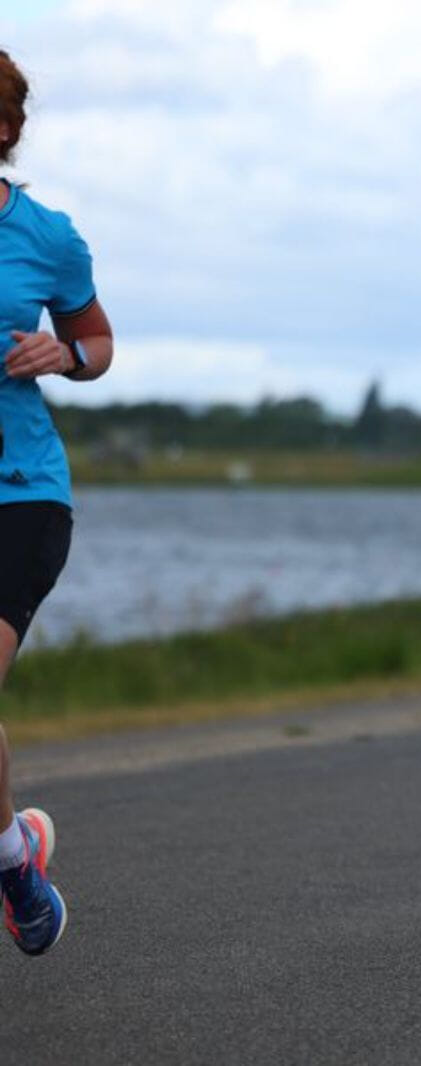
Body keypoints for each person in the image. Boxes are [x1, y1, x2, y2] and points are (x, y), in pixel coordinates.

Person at [0, 50, 115, 956]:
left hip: (22, 494)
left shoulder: (47, 235)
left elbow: (98, 340)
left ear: (4, 131)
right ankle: (15, 859)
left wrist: (63, 357)